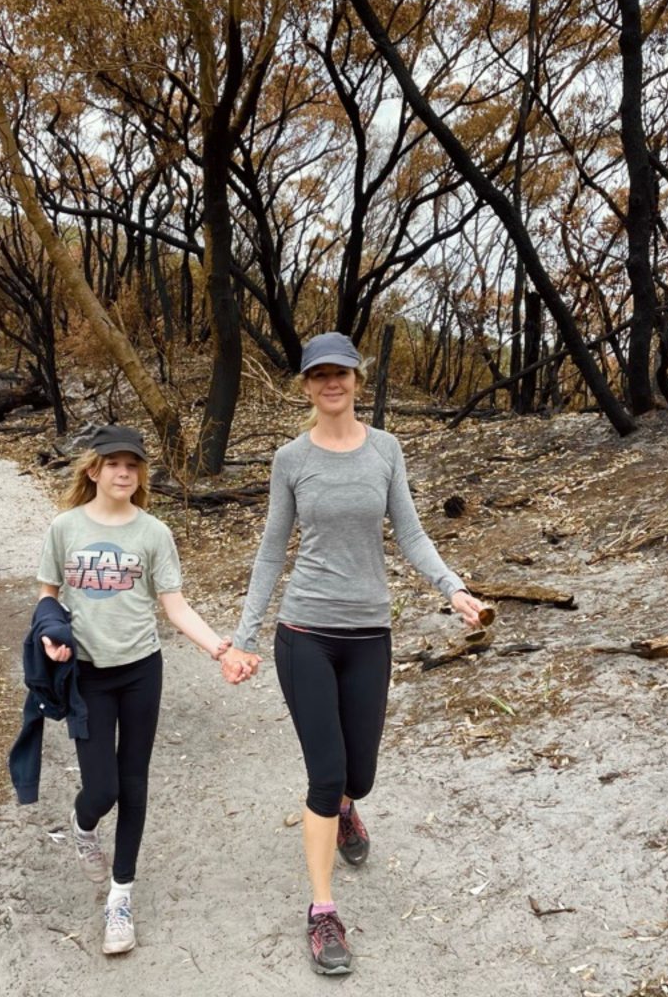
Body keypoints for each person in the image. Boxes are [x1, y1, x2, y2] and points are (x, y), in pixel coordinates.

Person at [226, 332, 483, 975]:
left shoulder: (386, 450)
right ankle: (322, 913)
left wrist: (453, 589)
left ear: (357, 382)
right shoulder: (290, 459)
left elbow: (412, 533)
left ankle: (347, 810)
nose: (330, 383)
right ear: (307, 386)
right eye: (319, 376)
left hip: (370, 633)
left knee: (358, 776)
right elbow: (270, 551)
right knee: (326, 774)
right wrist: (245, 635)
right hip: (305, 634)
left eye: (341, 373)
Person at [32, 424, 245, 956]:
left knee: (134, 781)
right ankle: (83, 828)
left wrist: (220, 648)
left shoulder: (153, 534)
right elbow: (47, 597)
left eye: (133, 465)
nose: (123, 472)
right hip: (87, 675)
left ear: (139, 474)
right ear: (94, 470)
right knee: (101, 789)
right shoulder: (64, 528)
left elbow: (175, 606)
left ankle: (120, 897)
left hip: (141, 671)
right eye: (113, 463)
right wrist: (51, 638)